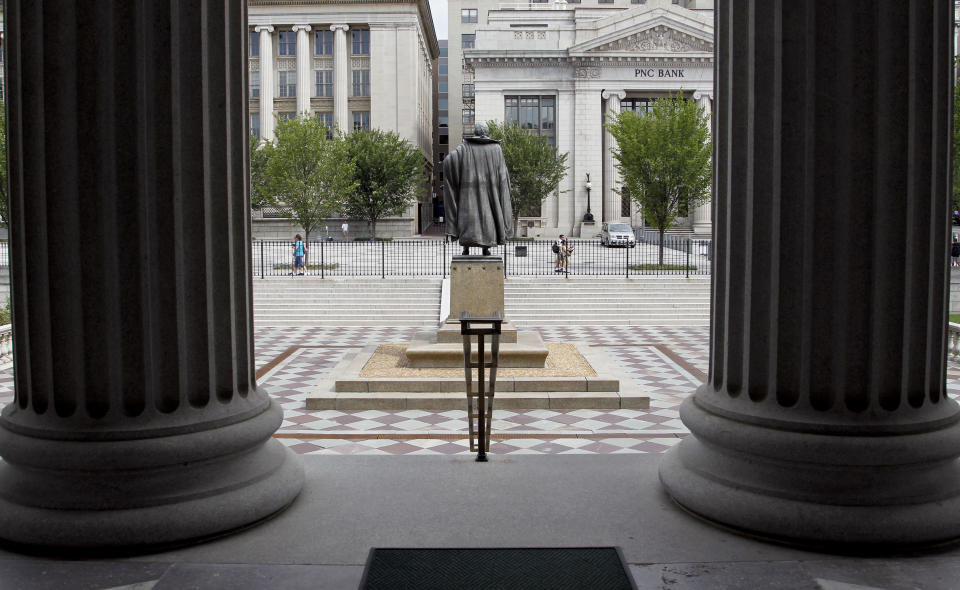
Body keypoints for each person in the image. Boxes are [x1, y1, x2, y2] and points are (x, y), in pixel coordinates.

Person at [443, 122, 513, 256]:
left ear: (475, 132)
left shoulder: (464, 147)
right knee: (488, 219)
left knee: (468, 219)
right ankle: (485, 248)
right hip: (489, 193)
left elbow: (448, 160)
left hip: (468, 195)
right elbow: (503, 175)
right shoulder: (496, 148)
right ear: (486, 133)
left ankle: (466, 248)